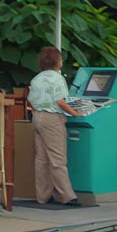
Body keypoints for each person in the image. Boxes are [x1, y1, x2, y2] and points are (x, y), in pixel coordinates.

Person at [28, 46, 83, 206]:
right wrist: (74, 113)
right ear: (57, 61)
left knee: (41, 159)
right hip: (52, 119)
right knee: (58, 157)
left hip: (37, 117)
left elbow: (31, 100)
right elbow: (60, 101)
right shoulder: (57, 78)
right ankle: (67, 196)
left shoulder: (36, 78)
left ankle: (43, 196)